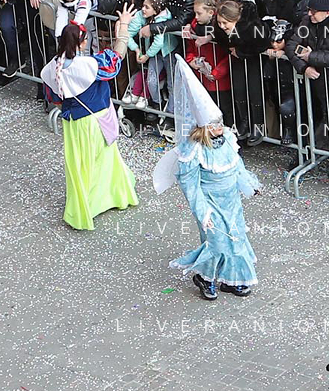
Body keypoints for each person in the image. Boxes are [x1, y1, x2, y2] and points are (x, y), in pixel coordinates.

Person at [152, 55, 261, 301]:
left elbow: (237, 166)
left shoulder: (228, 140)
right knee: (217, 242)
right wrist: (203, 213)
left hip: (231, 202)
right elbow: (190, 186)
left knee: (236, 239)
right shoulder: (193, 151)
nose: (220, 128)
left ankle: (232, 278)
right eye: (214, 125)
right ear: (204, 128)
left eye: (220, 123)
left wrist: (248, 185)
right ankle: (205, 277)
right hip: (211, 203)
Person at [40, 17, 140, 231]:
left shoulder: (51, 68)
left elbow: (54, 98)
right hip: (96, 119)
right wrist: (123, 28)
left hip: (73, 124)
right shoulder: (89, 65)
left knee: (79, 165)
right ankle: (112, 197)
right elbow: (116, 58)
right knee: (105, 160)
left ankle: (84, 206)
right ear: (82, 42)